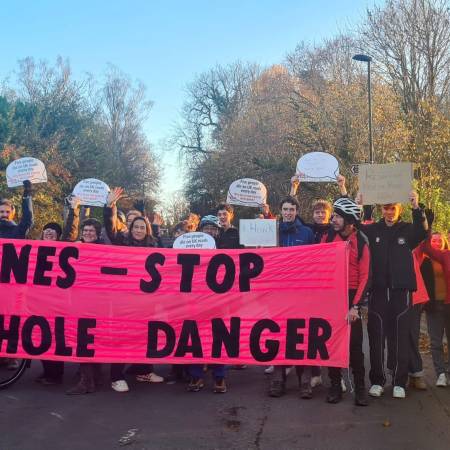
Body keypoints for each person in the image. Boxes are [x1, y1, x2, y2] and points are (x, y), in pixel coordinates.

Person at [357, 191, 428, 399]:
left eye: (393, 208)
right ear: (382, 209)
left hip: (401, 292)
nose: (389, 212)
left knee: (400, 338)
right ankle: (377, 381)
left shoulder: (408, 230)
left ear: (399, 209)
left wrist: (416, 207)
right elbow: (357, 228)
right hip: (378, 291)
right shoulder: (374, 230)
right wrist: (359, 205)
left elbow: (423, 231)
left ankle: (399, 381)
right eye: (386, 208)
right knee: (376, 337)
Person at [104, 188, 164, 390]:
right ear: (130, 229)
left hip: (146, 302)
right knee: (122, 336)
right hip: (124, 301)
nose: (138, 230)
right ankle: (116, 377)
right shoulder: (121, 242)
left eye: (142, 227)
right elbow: (110, 227)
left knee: (146, 336)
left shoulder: (153, 246)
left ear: (147, 230)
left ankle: (144, 371)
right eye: (135, 227)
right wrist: (110, 206)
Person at [321, 198, 370, 406]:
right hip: (332, 296)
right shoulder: (327, 237)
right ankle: (335, 385)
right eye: (333, 215)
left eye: (338, 216)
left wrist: (355, 306)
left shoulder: (362, 241)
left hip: (351, 297)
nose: (333, 219)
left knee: (355, 346)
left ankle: (360, 388)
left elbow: (365, 277)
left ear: (349, 220)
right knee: (332, 344)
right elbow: (318, 263)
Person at [269, 196, 314, 398]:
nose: (288, 212)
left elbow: (316, 259)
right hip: (277, 291)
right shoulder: (272, 231)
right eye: (285, 209)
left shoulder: (307, 232)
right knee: (278, 334)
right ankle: (278, 379)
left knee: (301, 335)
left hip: (300, 292)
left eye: (292, 209)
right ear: (281, 211)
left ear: (297, 211)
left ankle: (305, 381)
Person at [64, 196, 106, 395]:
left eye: (91, 231)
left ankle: (88, 380)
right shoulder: (75, 247)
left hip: (97, 302)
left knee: (89, 339)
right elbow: (67, 234)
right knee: (82, 338)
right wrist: (74, 210)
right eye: (85, 230)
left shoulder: (103, 250)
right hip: (78, 300)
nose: (88, 233)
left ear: (97, 234)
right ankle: (89, 378)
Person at [187, 215, 227, 394]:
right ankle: (196, 374)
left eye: (213, 228)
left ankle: (219, 375)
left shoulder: (225, 251)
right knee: (195, 337)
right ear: (200, 230)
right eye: (207, 228)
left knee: (219, 338)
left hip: (218, 302)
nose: (210, 231)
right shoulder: (189, 250)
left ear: (218, 232)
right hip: (195, 301)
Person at [0, 180, 34, 370]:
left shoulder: (17, 231)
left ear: (12, 213)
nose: (4, 215)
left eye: (7, 212)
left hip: (12, 285)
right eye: (1, 212)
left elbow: (28, 221)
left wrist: (27, 195)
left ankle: (11, 356)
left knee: (12, 321)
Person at [34, 222, 65, 385]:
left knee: (54, 338)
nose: (49, 232)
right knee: (40, 336)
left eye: (54, 231)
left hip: (56, 302)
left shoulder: (63, 251)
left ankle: (55, 374)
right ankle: (47, 370)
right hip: (37, 301)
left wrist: (73, 211)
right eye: (47, 229)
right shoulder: (34, 249)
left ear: (59, 236)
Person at [421, 232, 450, 386]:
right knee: (436, 341)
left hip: (448, 304)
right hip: (434, 305)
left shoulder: (446, 255)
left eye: (440, 240)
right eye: (434, 240)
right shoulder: (425, 260)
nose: (437, 243)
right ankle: (441, 374)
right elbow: (424, 246)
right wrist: (427, 228)